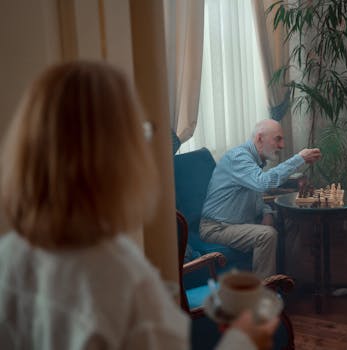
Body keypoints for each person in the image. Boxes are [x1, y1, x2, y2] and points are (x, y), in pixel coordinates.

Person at [0, 60, 278, 349]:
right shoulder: (123, 280)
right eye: (142, 133)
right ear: (118, 156)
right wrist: (246, 337)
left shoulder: (7, 258)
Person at [200, 119, 322, 278]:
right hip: (217, 227)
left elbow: (254, 193)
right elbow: (262, 183)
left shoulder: (255, 161)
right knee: (266, 235)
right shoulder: (238, 157)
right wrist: (299, 158)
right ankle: (264, 295)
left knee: (294, 222)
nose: (282, 145)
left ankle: (295, 281)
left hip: (240, 223)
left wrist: (267, 212)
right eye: (278, 139)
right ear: (259, 139)